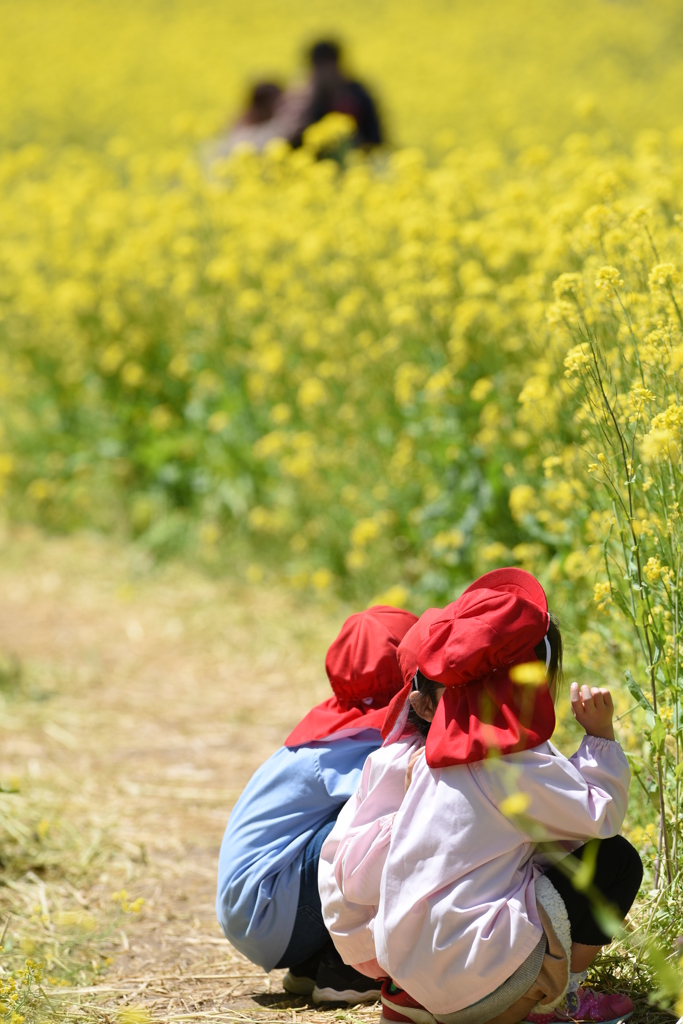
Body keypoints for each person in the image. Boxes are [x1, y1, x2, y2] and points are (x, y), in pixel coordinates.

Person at [328, 569, 642, 1024]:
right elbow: (600, 815)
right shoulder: (512, 762)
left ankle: (419, 1001)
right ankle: (551, 997)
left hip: (410, 973)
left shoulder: (434, 759)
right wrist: (600, 740)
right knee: (614, 861)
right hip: (481, 987)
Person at [215, 604, 417, 1004]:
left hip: (258, 912)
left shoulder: (331, 732)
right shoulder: (356, 746)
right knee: (392, 824)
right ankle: (349, 969)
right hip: (271, 914)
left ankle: (315, 962)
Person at [294, 40, 383, 149]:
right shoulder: (304, 100)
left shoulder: (358, 94)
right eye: (320, 66)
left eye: (328, 64)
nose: (325, 73)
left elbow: (375, 137)